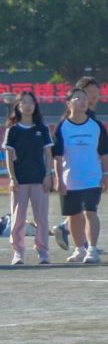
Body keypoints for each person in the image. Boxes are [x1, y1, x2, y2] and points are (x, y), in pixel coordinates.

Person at [51, 84, 108, 265]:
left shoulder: (96, 125)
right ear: (68, 103)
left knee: (90, 212)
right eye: (78, 98)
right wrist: (59, 179)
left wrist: (105, 175)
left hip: (92, 178)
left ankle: (92, 249)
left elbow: (104, 153)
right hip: (70, 179)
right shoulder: (62, 127)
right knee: (73, 215)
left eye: (85, 98)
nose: (82, 101)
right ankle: (79, 249)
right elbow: (57, 156)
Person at [5, 91, 54, 266]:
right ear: (18, 106)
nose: (28, 106)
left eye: (31, 102)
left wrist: (48, 175)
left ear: (35, 106)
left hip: (39, 179)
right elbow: (9, 157)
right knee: (18, 218)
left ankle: (43, 252)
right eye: (24, 102)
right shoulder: (12, 130)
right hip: (20, 181)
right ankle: (18, 252)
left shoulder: (43, 129)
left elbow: (48, 154)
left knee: (41, 218)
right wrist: (12, 178)